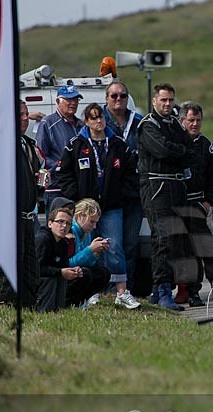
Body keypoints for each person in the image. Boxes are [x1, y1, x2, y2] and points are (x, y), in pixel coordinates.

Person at [54, 103, 141, 309]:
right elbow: (62, 172)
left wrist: (120, 193)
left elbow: (131, 172)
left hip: (111, 206)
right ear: (86, 121)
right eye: (93, 118)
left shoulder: (117, 143)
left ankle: (121, 291)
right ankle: (90, 291)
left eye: (100, 117)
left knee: (114, 247)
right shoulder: (76, 144)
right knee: (87, 248)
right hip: (85, 208)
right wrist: (76, 196)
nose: (98, 121)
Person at [137, 83, 197, 310]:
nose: (167, 104)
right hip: (156, 187)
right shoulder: (148, 125)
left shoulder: (174, 123)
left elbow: (190, 151)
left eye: (170, 100)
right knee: (162, 239)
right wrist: (178, 152)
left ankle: (158, 289)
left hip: (176, 186)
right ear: (154, 101)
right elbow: (162, 150)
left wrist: (178, 152)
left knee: (176, 240)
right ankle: (162, 290)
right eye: (163, 100)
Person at [0, 100, 40, 308]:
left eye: (27, 114)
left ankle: (26, 311)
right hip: (7, 217)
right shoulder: (1, 143)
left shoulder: (28, 144)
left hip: (27, 216)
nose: (25, 118)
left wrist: (40, 182)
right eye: (20, 115)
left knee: (29, 271)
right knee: (6, 271)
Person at [176, 101, 213, 307]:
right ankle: (190, 292)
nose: (195, 124)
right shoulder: (175, 143)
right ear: (182, 121)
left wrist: (207, 202)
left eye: (198, 120)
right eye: (191, 120)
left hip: (200, 205)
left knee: (209, 249)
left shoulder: (207, 146)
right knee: (185, 251)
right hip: (178, 205)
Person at [103, 81, 144, 294]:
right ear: (106, 98)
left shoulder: (138, 122)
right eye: (114, 96)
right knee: (111, 245)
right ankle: (109, 289)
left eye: (122, 96)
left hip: (133, 193)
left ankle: (128, 289)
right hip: (108, 193)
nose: (118, 100)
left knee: (130, 243)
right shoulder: (97, 121)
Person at [36, 85, 84, 212]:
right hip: (56, 189)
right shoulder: (47, 123)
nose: (73, 103)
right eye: (68, 100)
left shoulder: (81, 126)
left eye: (76, 100)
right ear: (57, 102)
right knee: (57, 229)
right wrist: (41, 188)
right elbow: (41, 157)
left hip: (78, 188)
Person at [67, 198, 111, 307]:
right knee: (86, 274)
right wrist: (90, 250)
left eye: (96, 222)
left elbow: (87, 263)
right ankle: (70, 303)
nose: (94, 226)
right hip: (66, 274)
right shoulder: (69, 231)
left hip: (78, 271)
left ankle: (81, 302)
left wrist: (95, 253)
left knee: (103, 273)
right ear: (80, 215)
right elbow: (69, 263)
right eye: (91, 222)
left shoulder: (86, 233)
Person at [35, 206, 80, 312]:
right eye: (60, 221)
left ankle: (60, 309)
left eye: (68, 224)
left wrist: (73, 271)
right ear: (50, 223)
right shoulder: (42, 239)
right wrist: (60, 272)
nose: (64, 226)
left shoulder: (64, 242)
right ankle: (45, 311)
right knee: (52, 278)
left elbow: (63, 266)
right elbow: (37, 269)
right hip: (36, 281)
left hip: (54, 278)